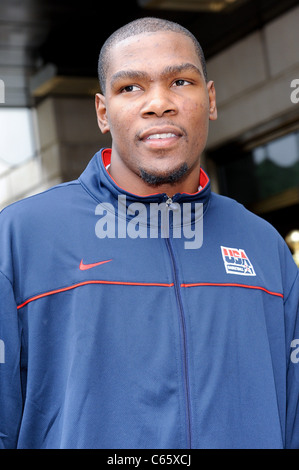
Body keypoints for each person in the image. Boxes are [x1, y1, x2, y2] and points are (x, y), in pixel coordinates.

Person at [0, 17, 298, 450]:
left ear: (210, 99)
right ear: (103, 112)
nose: (159, 103)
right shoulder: (20, 237)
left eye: (180, 81)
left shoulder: (263, 246)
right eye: (131, 88)